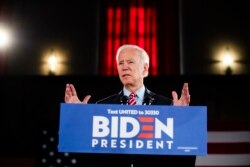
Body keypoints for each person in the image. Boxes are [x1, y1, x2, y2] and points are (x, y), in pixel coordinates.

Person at [64, 44, 196, 167]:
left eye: (130, 62)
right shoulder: (102, 107)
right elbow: (84, 158)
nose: (124, 67)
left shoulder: (167, 106)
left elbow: (185, 160)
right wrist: (78, 117)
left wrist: (182, 118)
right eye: (120, 63)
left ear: (145, 68)